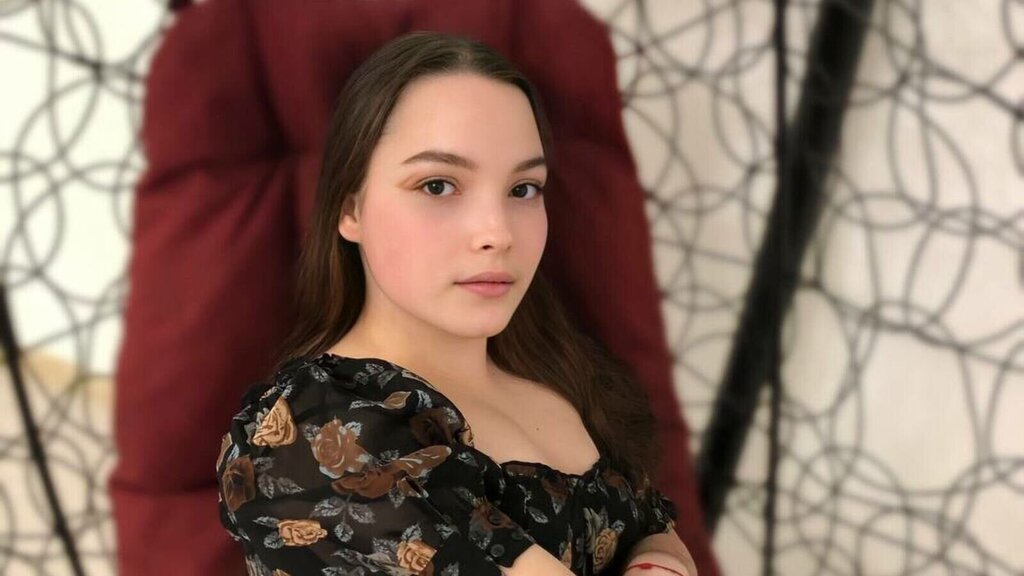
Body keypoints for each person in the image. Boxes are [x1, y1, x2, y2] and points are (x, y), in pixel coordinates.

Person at [215, 30, 697, 576]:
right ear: (350, 209)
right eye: (438, 186)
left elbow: (653, 524)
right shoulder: (312, 433)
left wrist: (659, 560)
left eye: (523, 189)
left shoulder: (562, 374)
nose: (497, 233)